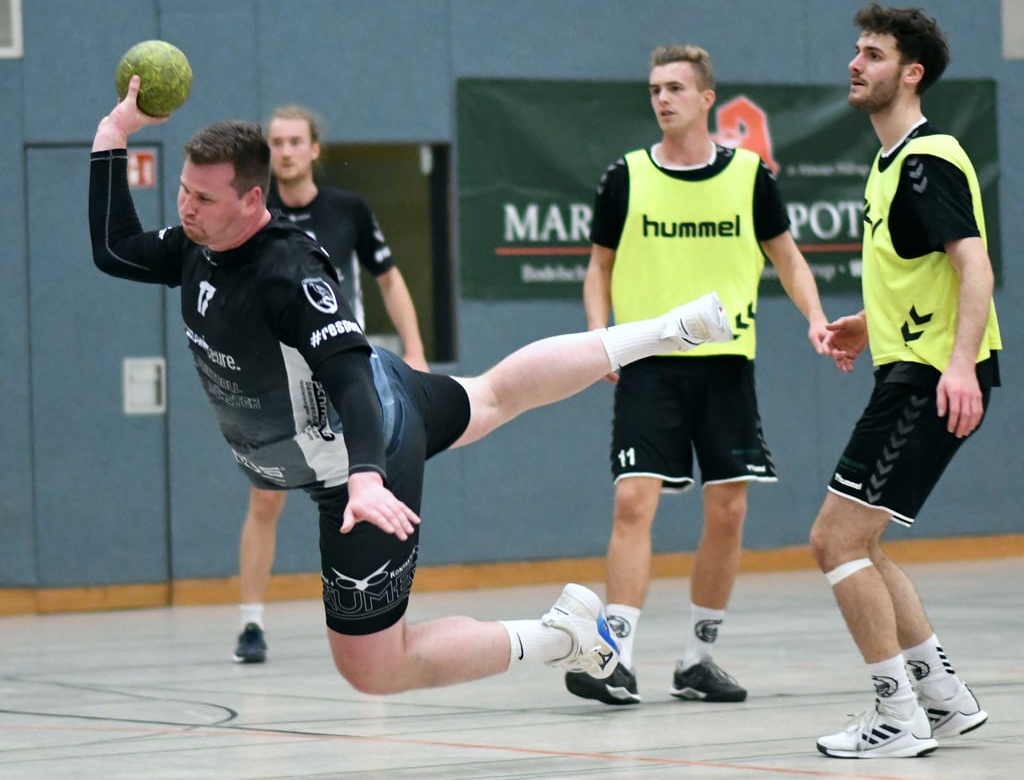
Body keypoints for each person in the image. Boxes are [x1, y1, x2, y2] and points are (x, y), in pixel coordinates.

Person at [89, 76, 736, 697]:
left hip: (362, 454)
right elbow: (114, 248)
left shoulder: (286, 273)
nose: (185, 207)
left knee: (375, 667)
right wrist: (114, 130)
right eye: (182, 191)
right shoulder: (198, 244)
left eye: (202, 198)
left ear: (252, 201)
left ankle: (556, 637)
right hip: (371, 409)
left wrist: (367, 477)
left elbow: (349, 382)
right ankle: (665, 330)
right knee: (491, 396)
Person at [566, 44, 828, 706]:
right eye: (655, 87)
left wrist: (816, 317)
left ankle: (698, 660)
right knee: (633, 500)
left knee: (729, 510)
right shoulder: (623, 177)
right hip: (648, 358)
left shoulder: (749, 175)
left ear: (707, 98)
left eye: (676, 87)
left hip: (726, 365)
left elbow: (789, 260)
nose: (662, 98)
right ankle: (615, 658)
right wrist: (601, 335)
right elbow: (598, 265)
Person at [811, 3, 1001, 758]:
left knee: (835, 541)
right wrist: (868, 320)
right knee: (865, 542)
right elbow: (923, 274)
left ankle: (898, 715)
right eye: (856, 51)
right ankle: (944, 699)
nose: (856, 64)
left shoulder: (927, 159)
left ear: (910, 73)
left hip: (929, 378)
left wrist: (958, 366)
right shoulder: (892, 163)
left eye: (874, 54)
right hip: (913, 365)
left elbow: (974, 265)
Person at [233, 105, 428, 664]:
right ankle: (251, 624)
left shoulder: (349, 211)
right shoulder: (254, 216)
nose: (286, 150)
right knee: (265, 500)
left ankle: (380, 616)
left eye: (296, 141)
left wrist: (412, 350)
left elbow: (390, 281)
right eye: (276, 142)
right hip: (277, 387)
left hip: (343, 378)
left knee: (372, 488)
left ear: (315, 149)